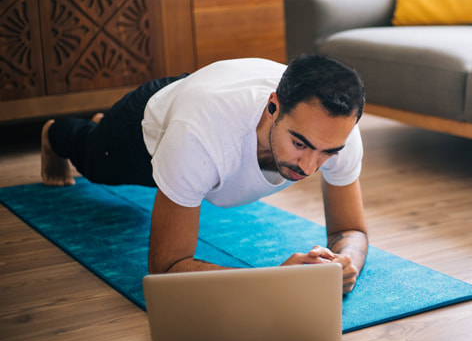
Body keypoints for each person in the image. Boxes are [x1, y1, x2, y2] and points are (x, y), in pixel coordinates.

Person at [41, 55, 368, 294]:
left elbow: (351, 229)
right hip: (146, 125)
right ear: (273, 108)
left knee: (184, 161)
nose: (309, 167)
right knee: (96, 162)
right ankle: (61, 133)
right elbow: (165, 267)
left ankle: (102, 125)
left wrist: (343, 261)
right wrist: (273, 280)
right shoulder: (199, 136)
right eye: (300, 143)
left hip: (199, 100)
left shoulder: (336, 133)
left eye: (327, 153)